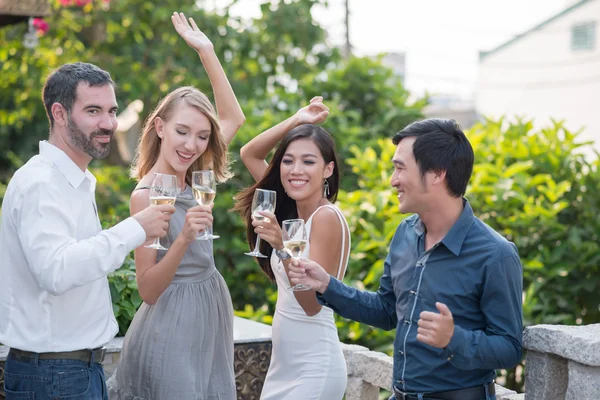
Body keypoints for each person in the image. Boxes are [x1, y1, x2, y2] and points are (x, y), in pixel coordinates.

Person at [288, 118, 523, 400]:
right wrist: (327, 285)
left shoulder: (496, 254)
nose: (393, 180)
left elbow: (510, 348)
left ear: (437, 173)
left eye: (400, 168)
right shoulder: (405, 233)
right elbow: (387, 311)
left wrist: (454, 339)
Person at [0, 62, 174, 400]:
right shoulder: (40, 184)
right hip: (55, 377)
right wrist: (135, 228)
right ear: (60, 114)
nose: (108, 123)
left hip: (72, 372)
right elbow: (56, 271)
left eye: (111, 111)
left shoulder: (73, 180)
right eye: (93, 110)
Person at [106, 12, 245, 400]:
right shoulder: (145, 195)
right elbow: (148, 290)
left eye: (202, 136)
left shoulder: (200, 174)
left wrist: (207, 51)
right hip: (170, 326)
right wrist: (183, 238)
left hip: (209, 320)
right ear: (160, 127)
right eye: (182, 131)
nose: (192, 144)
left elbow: (233, 117)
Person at [234, 97, 350, 399]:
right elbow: (249, 152)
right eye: (288, 160)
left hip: (314, 367)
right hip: (283, 365)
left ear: (328, 170)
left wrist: (280, 245)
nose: (296, 170)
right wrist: (297, 119)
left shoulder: (326, 218)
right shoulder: (289, 209)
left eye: (308, 161)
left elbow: (312, 305)